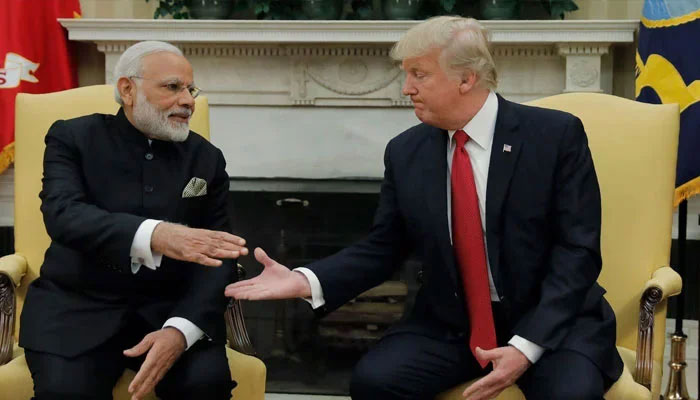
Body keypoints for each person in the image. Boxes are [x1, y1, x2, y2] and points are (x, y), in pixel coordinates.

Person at [225, 16, 623, 400]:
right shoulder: (406, 151)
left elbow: (578, 252)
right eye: (407, 74)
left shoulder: (554, 136)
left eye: (419, 74)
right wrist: (306, 280)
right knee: (375, 383)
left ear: (467, 78)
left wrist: (525, 346)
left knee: (570, 393)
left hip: (551, 323)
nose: (406, 88)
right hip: (451, 324)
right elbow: (383, 247)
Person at [19, 41, 248, 400]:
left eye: (190, 89)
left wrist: (181, 330)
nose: (188, 100)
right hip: (77, 310)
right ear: (127, 89)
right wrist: (157, 235)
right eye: (173, 87)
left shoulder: (207, 158)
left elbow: (219, 255)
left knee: (205, 386)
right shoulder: (73, 137)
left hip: (170, 309)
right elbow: (64, 215)